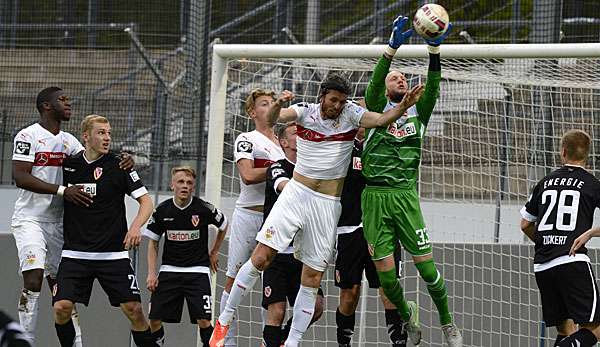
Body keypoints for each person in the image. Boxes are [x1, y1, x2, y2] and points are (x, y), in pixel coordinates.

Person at [211, 70, 425, 347]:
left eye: (341, 101)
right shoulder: (305, 111)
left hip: (327, 205)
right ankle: (224, 321)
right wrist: (278, 103)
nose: (337, 106)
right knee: (261, 257)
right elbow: (275, 118)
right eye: (333, 99)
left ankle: (293, 342)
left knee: (311, 277)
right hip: (296, 195)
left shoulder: (350, 113)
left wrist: (402, 107)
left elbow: (381, 119)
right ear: (322, 96)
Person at [360, 16, 461, 346]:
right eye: (395, 76)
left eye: (403, 75)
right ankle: (407, 314)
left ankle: (447, 323)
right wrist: (391, 50)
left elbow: (433, 86)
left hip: (405, 196)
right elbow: (373, 86)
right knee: (387, 279)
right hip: (374, 197)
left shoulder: (420, 111)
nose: (400, 78)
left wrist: (434, 51)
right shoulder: (375, 110)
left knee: (427, 270)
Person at [12, 86, 132, 345]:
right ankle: (25, 340)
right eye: (62, 100)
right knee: (33, 277)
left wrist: (124, 161)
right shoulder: (28, 135)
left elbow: (93, 158)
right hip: (30, 218)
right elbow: (20, 176)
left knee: (62, 291)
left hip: (60, 223)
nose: (68, 104)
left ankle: (75, 342)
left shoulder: (69, 141)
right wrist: (63, 190)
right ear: (46, 105)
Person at [52, 115, 156, 347]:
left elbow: (147, 202)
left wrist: (136, 227)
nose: (107, 137)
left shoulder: (119, 165)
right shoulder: (69, 166)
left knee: (134, 309)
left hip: (112, 255)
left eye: (109, 133)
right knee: (61, 307)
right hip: (75, 254)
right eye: (101, 133)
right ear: (86, 137)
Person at [521, 130, 600, 347]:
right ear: (587, 155)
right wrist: (591, 232)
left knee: (566, 330)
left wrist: (546, 241)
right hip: (572, 261)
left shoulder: (544, 182)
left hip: (543, 266)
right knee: (595, 329)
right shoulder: (592, 183)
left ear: (563, 152)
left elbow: (525, 224)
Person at [220, 88, 285, 346]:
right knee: (234, 279)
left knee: (272, 284)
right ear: (252, 111)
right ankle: (228, 339)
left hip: (275, 219)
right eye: (264, 104)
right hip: (248, 216)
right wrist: (278, 169)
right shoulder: (247, 138)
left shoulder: (285, 142)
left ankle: (268, 339)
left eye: (272, 103)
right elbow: (247, 175)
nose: (269, 107)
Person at [334, 126, 406, 347]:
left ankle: (399, 342)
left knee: (389, 288)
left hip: (384, 229)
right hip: (350, 229)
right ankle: (343, 342)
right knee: (350, 293)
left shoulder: (387, 146)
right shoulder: (342, 149)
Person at [144, 166, 228, 346]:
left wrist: (214, 252)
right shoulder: (162, 211)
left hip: (197, 271)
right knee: (154, 319)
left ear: (193, 186)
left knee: (204, 321)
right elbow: (153, 242)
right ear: (172, 185)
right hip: (169, 271)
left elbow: (224, 224)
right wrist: (152, 273)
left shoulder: (204, 208)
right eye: (181, 182)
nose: (185, 186)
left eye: (189, 183)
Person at [260, 122, 323, 347]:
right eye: (296, 133)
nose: (302, 136)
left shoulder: (313, 168)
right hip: (276, 251)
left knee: (315, 307)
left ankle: (283, 340)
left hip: (302, 253)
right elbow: (284, 187)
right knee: (276, 311)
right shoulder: (277, 166)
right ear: (284, 142)